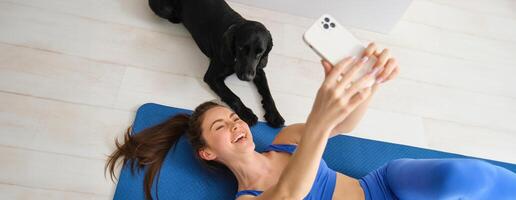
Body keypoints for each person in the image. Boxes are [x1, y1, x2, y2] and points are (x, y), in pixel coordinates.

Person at [106, 43, 516, 200]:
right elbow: (288, 194)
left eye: (233, 117)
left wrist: (366, 83)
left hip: (381, 187)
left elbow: (345, 126)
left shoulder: (285, 139)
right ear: (208, 152)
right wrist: (320, 120)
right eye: (220, 128)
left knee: (465, 180)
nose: (235, 126)